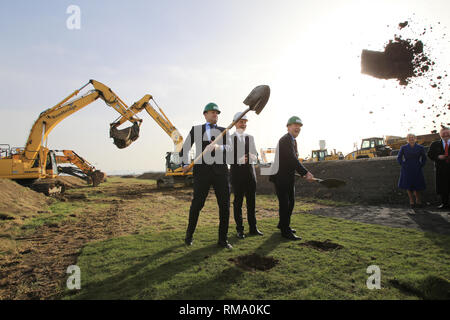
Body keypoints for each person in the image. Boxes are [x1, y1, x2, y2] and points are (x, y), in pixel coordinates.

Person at [180, 102, 233, 249]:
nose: (215, 114)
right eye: (212, 112)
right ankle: (189, 236)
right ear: (205, 114)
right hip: (202, 173)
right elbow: (185, 149)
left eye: (217, 113)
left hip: (221, 173)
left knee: (224, 206)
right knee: (197, 204)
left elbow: (230, 149)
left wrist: (217, 147)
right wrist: (184, 165)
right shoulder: (196, 130)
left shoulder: (224, 131)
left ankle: (223, 240)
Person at [269, 116, 314, 240]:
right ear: (288, 127)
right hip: (281, 177)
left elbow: (290, 161)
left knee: (290, 203)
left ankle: (282, 224)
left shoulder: (293, 140)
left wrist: (301, 173)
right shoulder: (285, 140)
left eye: (299, 126)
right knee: (286, 204)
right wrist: (305, 173)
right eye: (295, 125)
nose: (297, 128)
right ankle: (285, 230)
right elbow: (292, 159)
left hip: (287, 177)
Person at [230, 112, 263, 239]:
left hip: (250, 176)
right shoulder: (229, 138)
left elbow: (256, 154)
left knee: (252, 203)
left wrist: (254, 157)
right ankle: (240, 230)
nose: (243, 124)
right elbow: (225, 157)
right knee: (237, 203)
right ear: (235, 123)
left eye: (245, 122)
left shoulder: (251, 138)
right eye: (241, 122)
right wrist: (238, 159)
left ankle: (253, 228)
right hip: (237, 176)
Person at [397, 133, 427, 208]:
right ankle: (411, 201)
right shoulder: (403, 147)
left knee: (417, 184)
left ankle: (418, 200)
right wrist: (403, 164)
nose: (411, 139)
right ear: (407, 139)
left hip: (417, 167)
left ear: (415, 138)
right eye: (409, 137)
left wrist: (421, 165)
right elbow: (399, 157)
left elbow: (424, 157)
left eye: (413, 137)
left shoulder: (420, 147)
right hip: (407, 168)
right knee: (408, 185)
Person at [427, 127, 450, 210]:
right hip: (441, 169)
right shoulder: (434, 144)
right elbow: (430, 154)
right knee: (443, 187)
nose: (446, 135)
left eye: (447, 133)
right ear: (440, 135)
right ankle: (445, 204)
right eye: (443, 133)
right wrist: (438, 157)